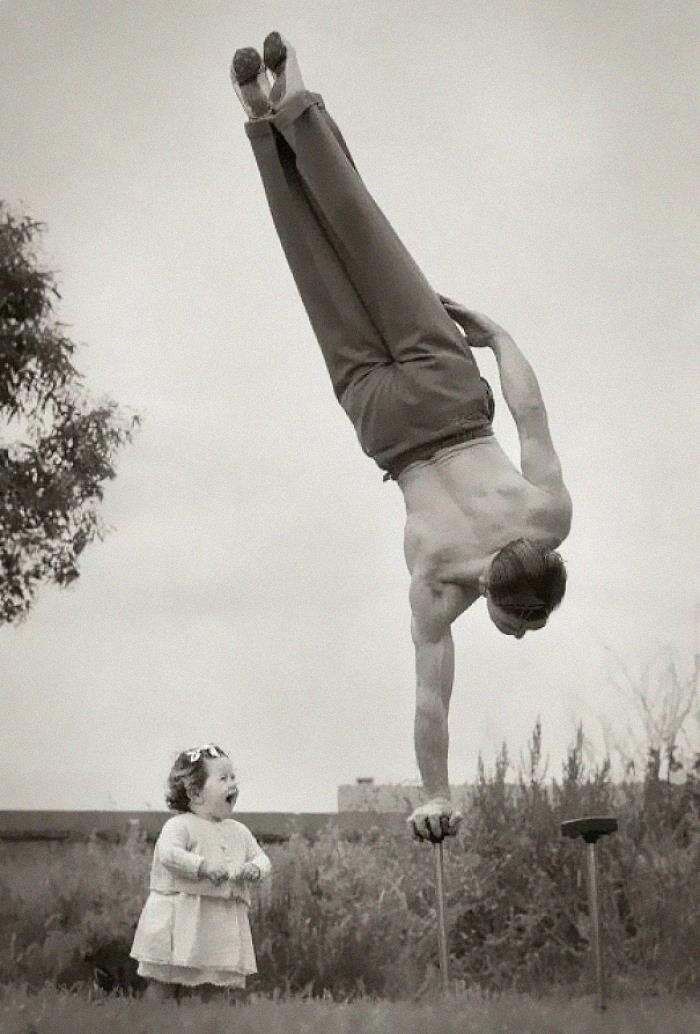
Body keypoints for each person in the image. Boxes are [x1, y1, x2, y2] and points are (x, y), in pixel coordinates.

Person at [230, 35, 572, 845]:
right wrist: (436, 795)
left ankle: (292, 98)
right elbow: (431, 702)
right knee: (314, 264)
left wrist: (499, 334)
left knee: (362, 231)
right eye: (524, 626)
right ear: (494, 596)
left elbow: (530, 414)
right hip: (386, 421)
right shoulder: (437, 590)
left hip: (451, 394)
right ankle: (258, 118)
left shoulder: (549, 519)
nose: (519, 637)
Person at [130, 744, 271, 1001]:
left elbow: (262, 857)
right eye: (223, 778)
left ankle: (207, 1022)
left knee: (214, 979)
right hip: (181, 916)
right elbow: (169, 854)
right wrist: (202, 866)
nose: (232, 784)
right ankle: (152, 1021)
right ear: (195, 794)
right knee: (165, 979)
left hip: (218, 921)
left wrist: (254, 868)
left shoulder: (238, 830)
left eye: (233, 777)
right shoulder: (179, 825)